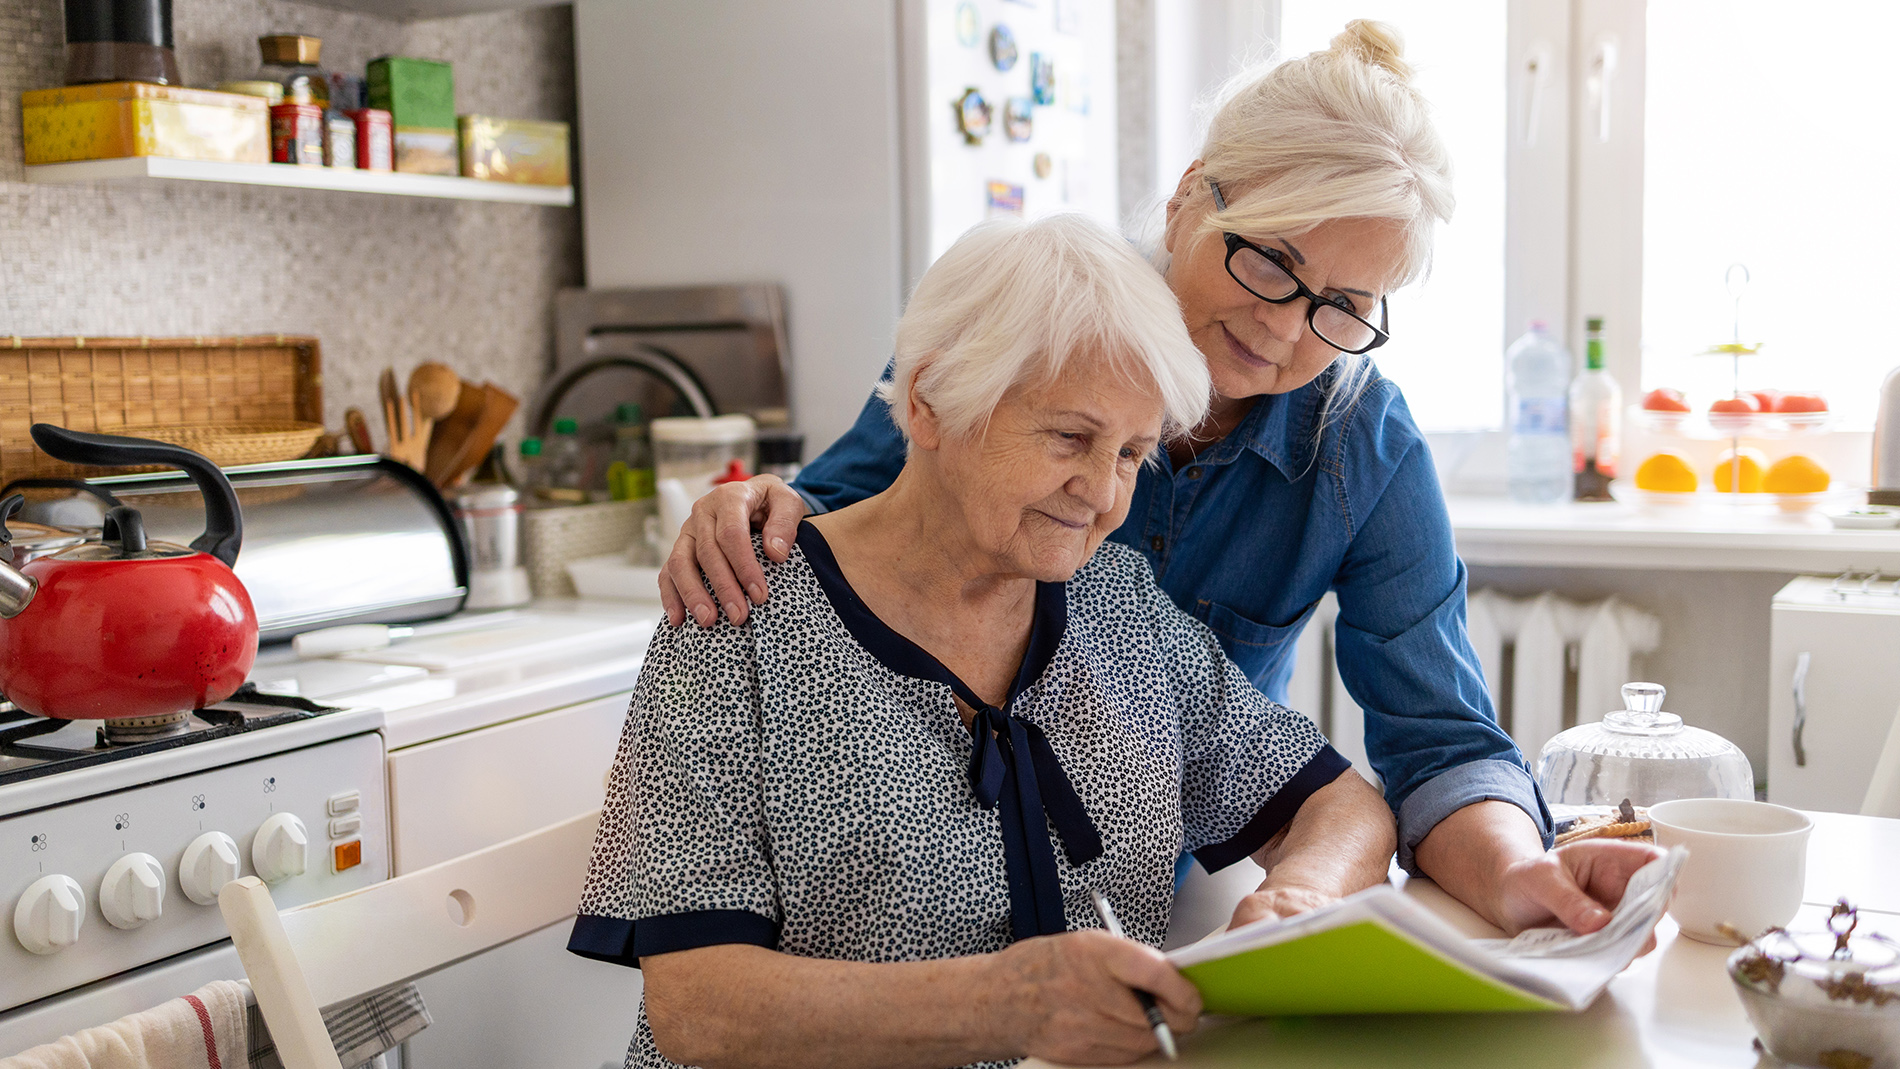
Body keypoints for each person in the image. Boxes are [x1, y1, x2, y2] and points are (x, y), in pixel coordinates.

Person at [658, 20, 1662, 937]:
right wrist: (751, 508)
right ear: (1191, 195)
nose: (1280, 327)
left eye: (1341, 304)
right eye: (1270, 261)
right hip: (907, 891)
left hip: (1146, 896)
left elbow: (1439, 742)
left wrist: (1518, 869)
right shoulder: (1022, 327)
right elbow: (835, 529)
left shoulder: (1363, 445)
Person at [570, 213, 1398, 1068]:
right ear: (929, 401)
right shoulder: (739, 614)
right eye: (1070, 437)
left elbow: (1341, 806)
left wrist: (1301, 896)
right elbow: (698, 1008)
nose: (1101, 495)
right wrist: (1007, 1005)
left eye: (1131, 454)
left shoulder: (1120, 609)